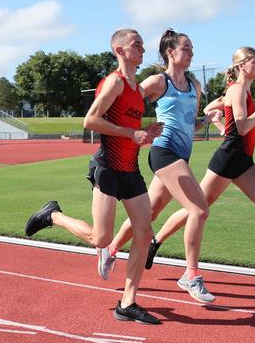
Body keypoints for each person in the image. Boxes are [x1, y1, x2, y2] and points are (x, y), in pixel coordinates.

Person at [25, 29, 163, 324]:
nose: (142, 48)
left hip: (131, 169)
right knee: (102, 238)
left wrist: (145, 134)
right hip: (108, 168)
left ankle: (128, 302)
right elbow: (90, 120)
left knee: (144, 231)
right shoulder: (115, 82)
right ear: (119, 50)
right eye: (136, 44)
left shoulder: (138, 90)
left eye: (141, 43)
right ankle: (53, 216)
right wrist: (130, 132)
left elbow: (129, 130)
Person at [95, 29, 222, 304]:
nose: (190, 52)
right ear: (170, 52)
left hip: (181, 156)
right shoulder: (157, 81)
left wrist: (206, 121)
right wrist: (131, 133)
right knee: (199, 209)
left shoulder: (194, 86)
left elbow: (190, 125)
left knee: (149, 214)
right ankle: (191, 274)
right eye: (185, 48)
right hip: (164, 153)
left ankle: (112, 249)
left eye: (192, 48)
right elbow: (126, 103)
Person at [146, 47, 255, 288]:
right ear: (241, 65)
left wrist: (219, 123)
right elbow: (243, 127)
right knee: (196, 207)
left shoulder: (239, 91)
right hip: (228, 159)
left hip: (243, 161)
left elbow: (211, 111)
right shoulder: (236, 89)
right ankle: (155, 241)